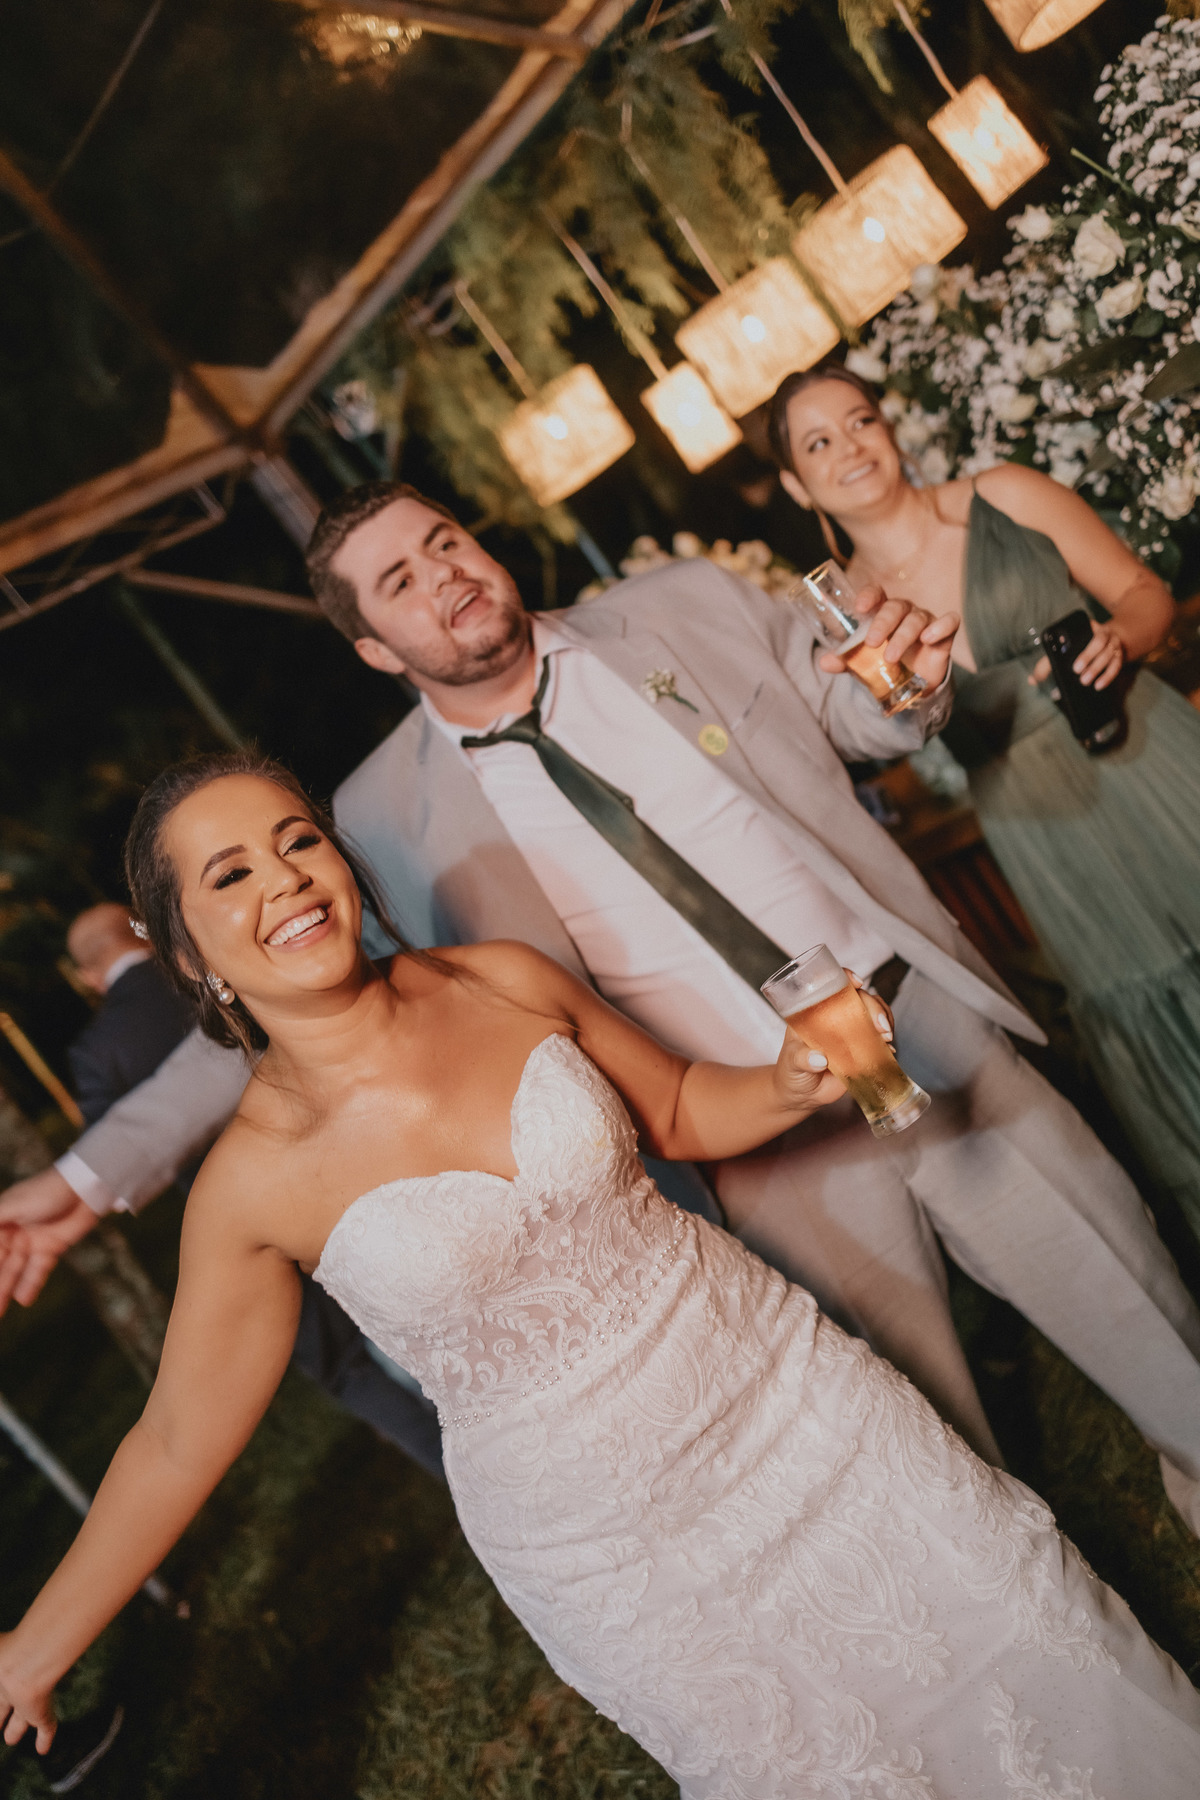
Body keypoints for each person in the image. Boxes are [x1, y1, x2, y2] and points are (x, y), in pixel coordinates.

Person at [3, 484, 1200, 1525]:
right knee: (922, 1435)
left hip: (912, 1021)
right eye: (400, 581)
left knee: (1128, 1292)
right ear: (373, 647)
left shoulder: (679, 605)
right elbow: (272, 1010)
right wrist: (85, 1177)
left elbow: (847, 705)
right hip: (751, 1135)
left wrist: (904, 697)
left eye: (446, 542)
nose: (444, 575)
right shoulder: (378, 821)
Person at [2, 753, 1198, 1795]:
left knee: (1023, 1629)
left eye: (297, 840)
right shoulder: (250, 1188)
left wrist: (788, 1082)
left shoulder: (502, 979)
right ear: (186, 952)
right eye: (230, 875)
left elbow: (675, 1107)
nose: (285, 881)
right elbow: (175, 1443)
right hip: (620, 1551)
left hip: (795, 1400)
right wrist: (33, 1650)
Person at [769, 363, 1200, 1244]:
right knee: (1140, 995)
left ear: (889, 427)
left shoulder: (1002, 495)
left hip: (1149, 760)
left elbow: (1145, 594)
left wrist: (1122, 636)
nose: (850, 448)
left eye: (860, 421)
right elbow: (865, 739)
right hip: (1039, 828)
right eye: (819, 443)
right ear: (796, 484)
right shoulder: (849, 622)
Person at [64, 904, 197, 1128]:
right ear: (144, 933)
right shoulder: (207, 973)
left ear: (88, 977)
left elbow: (111, 1139)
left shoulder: (94, 1052)